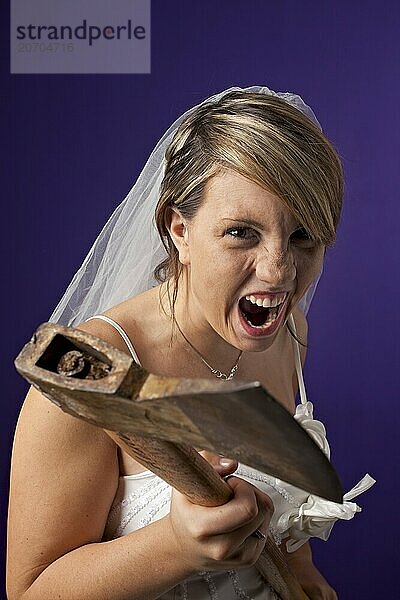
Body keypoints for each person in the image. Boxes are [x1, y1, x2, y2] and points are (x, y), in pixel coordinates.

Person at [7, 86, 375, 600]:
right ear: (178, 229)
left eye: (302, 238)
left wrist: (302, 570)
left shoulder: (286, 336)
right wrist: (176, 546)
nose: (279, 272)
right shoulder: (82, 372)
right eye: (242, 232)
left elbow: (280, 510)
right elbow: (29, 594)